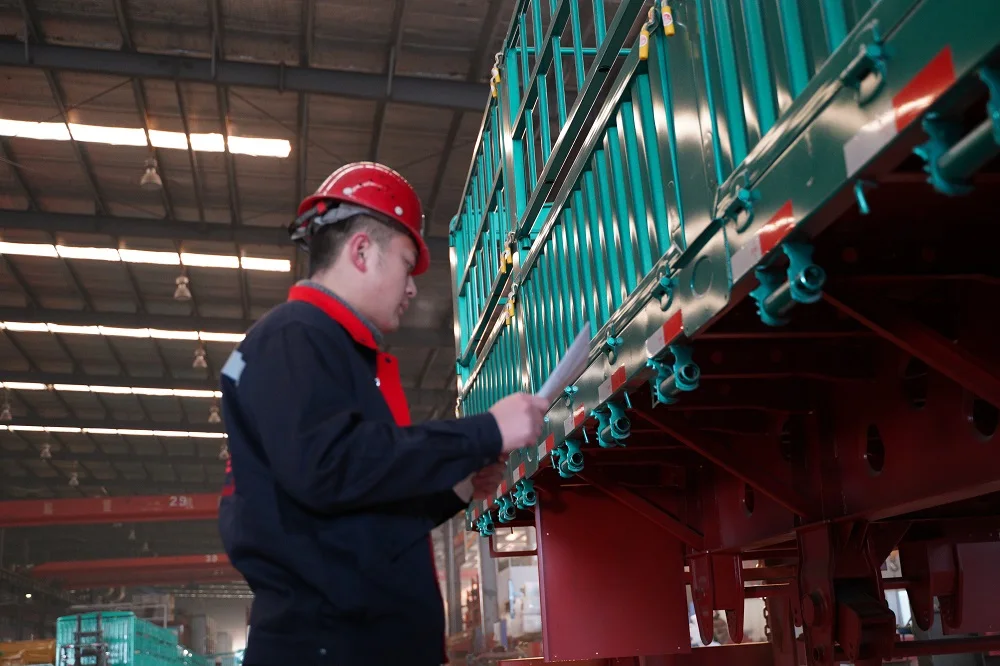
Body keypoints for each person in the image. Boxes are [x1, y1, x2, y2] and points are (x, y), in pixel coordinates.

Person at [216, 162, 549, 666]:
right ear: (361, 251)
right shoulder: (294, 337)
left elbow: (360, 514)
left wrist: (458, 488)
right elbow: (330, 467)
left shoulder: (324, 348)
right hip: (329, 647)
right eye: (407, 263)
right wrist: (486, 430)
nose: (412, 289)